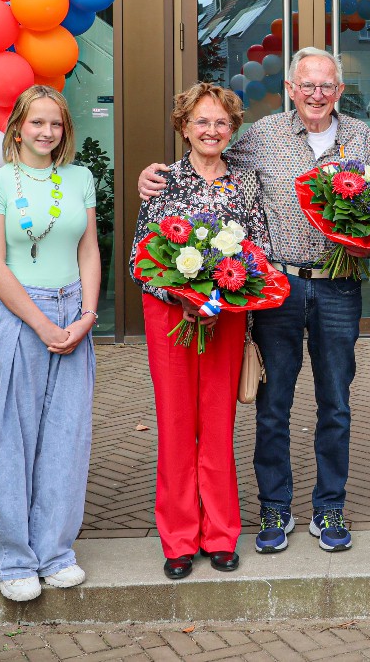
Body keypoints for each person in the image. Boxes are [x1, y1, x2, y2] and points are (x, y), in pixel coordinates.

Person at [139, 51, 370, 556]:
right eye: (307, 85)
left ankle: (329, 504)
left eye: (327, 86)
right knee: (274, 405)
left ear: (339, 91)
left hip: (338, 285)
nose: (317, 95)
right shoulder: (263, 135)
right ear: (291, 87)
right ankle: (275, 507)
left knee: (335, 402)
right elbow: (212, 161)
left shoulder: (359, 136)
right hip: (281, 288)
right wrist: (150, 178)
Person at [134, 82, 270, 580]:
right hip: (171, 318)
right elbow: (139, 260)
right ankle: (177, 538)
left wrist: (223, 301)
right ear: (184, 127)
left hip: (225, 316)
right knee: (175, 425)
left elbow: (257, 254)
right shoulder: (161, 181)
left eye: (221, 122)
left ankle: (220, 533)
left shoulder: (247, 182)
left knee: (217, 426)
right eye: (202, 121)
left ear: (232, 129)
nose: (211, 130)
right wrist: (185, 299)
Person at [0, 85, 99, 602]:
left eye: (55, 124)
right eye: (37, 123)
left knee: (66, 438)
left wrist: (88, 316)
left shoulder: (81, 178)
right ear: (18, 127)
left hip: (75, 310)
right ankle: (13, 560)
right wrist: (42, 325)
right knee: (12, 436)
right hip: (19, 314)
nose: (46, 133)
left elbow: (90, 251)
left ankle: (54, 553)